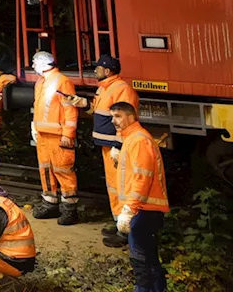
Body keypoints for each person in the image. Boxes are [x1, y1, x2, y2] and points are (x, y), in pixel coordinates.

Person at [65, 55, 139, 246]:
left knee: (122, 188)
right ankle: (119, 224)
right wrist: (83, 104)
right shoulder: (105, 88)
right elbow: (99, 111)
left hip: (117, 147)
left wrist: (119, 145)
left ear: (107, 71)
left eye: (98, 68)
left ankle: (127, 232)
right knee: (114, 187)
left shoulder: (121, 89)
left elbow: (125, 120)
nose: (95, 71)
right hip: (108, 147)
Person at [110, 101, 168, 292]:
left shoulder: (138, 140)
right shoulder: (133, 139)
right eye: (113, 116)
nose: (114, 121)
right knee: (149, 260)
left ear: (132, 117)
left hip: (144, 210)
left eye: (118, 116)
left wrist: (129, 209)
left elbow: (142, 178)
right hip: (145, 210)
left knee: (141, 261)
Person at [30, 51, 80, 224]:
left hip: (58, 136)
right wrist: (35, 127)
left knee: (63, 170)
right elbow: (39, 107)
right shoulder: (41, 82)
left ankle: (70, 209)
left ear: (44, 64)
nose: (33, 66)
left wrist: (68, 134)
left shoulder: (62, 81)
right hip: (44, 135)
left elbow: (70, 110)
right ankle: (50, 203)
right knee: (45, 169)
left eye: (35, 63)